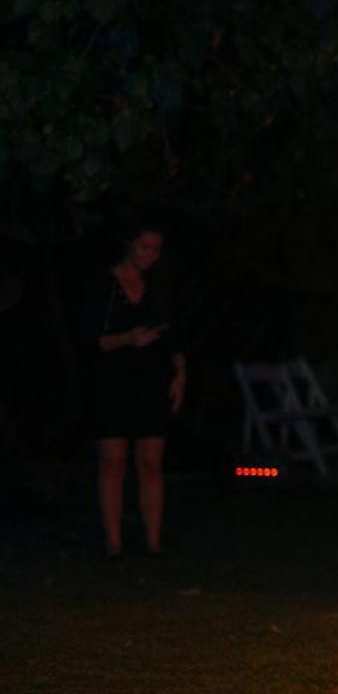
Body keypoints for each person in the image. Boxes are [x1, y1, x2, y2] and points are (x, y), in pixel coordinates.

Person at [88, 223, 185, 557]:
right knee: (112, 461)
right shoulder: (106, 284)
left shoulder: (158, 286)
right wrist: (127, 339)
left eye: (156, 250)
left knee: (151, 461)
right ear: (130, 243)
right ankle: (113, 543)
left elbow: (173, 333)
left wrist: (179, 372)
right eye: (144, 247)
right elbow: (91, 340)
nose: (149, 255)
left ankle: (153, 542)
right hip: (113, 380)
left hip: (151, 379)